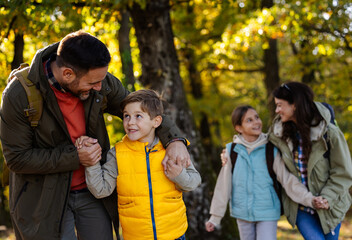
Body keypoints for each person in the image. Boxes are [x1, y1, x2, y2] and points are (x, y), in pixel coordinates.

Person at [0, 30, 190, 240]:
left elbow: (145, 110)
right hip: (44, 197)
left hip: (93, 192)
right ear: (68, 74)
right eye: (92, 83)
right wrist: (75, 157)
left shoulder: (100, 80)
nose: (100, 87)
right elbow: (17, 158)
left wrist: (175, 140)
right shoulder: (18, 95)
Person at [75, 89, 201, 240]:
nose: (130, 122)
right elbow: (101, 190)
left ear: (156, 121)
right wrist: (91, 161)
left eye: (138, 116)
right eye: (126, 116)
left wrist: (179, 175)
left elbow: (193, 182)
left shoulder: (171, 149)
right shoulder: (118, 153)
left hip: (174, 234)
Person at [205, 105, 328, 240]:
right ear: (238, 128)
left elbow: (288, 180)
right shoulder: (231, 151)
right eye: (249, 120)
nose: (256, 122)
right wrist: (215, 217)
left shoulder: (271, 149)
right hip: (242, 213)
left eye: (257, 117)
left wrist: (309, 199)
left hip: (268, 212)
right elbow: (223, 186)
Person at [268, 81, 352, 240]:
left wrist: (327, 198)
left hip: (331, 206)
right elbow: (257, 144)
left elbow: (343, 172)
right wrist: (231, 149)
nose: (277, 110)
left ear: (295, 105)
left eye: (280, 105)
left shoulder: (329, 133)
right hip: (301, 207)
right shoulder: (278, 134)